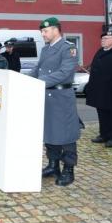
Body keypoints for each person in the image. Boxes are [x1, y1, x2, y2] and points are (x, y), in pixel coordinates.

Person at [29, 17, 81, 186]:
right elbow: (38, 69)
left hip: (61, 97)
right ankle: (53, 165)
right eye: (42, 31)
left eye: (45, 31)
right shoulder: (45, 49)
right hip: (46, 96)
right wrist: (25, 79)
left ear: (55, 30)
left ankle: (68, 169)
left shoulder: (68, 48)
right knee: (49, 131)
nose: (42, 34)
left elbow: (65, 73)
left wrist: (39, 82)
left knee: (66, 134)